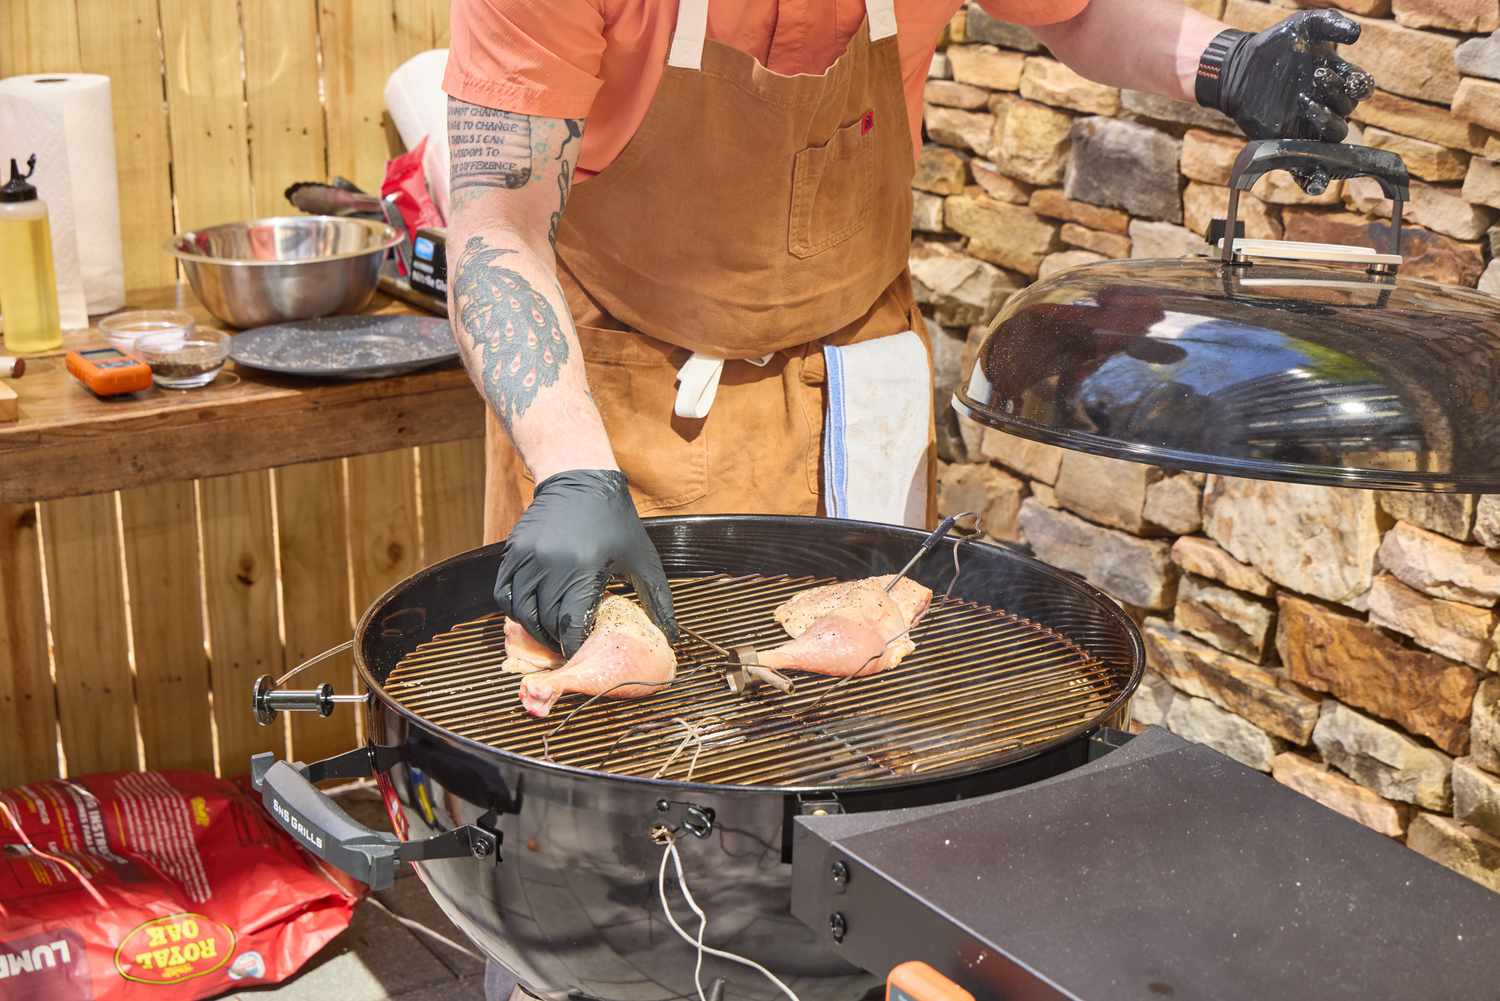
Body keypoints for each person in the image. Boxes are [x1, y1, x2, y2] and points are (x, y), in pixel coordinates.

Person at [444, 0, 1370, 707]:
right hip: (615, 397)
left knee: (856, 733)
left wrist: (1230, 63)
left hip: (855, 371)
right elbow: (497, 222)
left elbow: (1079, 11)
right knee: (601, 752)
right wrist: (570, 475)